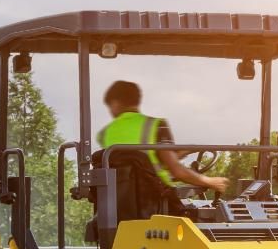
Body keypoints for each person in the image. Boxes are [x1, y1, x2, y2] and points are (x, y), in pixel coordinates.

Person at [98, 81, 228, 195]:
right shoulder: (156, 125)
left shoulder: (104, 134)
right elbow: (176, 171)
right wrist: (211, 182)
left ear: (115, 103)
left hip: (115, 204)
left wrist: (183, 151)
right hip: (155, 200)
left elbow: (139, 163)